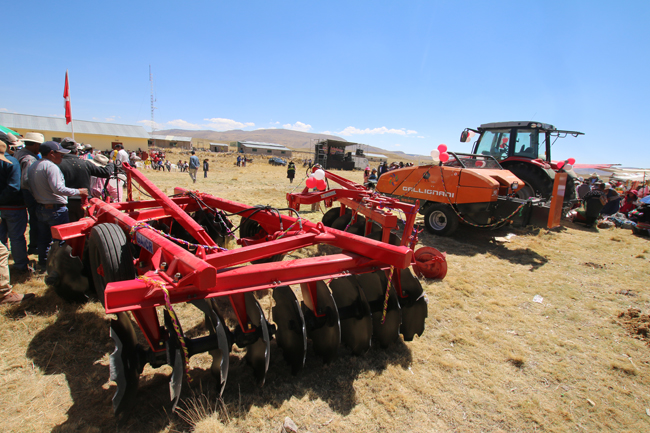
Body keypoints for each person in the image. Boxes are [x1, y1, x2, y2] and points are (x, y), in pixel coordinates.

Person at [28, 141, 88, 270]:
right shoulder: (51, 167)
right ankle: (59, 267)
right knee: (61, 240)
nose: (62, 156)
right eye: (60, 154)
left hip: (41, 206)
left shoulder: (34, 166)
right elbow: (58, 188)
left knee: (43, 238)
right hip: (55, 208)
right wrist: (79, 191)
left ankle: (44, 264)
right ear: (51, 153)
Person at [58, 138, 115, 222]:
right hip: (83, 201)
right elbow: (105, 172)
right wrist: (110, 164)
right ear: (76, 151)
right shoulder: (85, 163)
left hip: (65, 202)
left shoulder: (57, 164)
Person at [0, 137, 30, 274]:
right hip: (13, 206)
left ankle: (3, 268)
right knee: (17, 237)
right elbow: (13, 187)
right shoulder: (11, 162)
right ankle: (20, 266)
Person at [14, 132, 44, 255]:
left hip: (21, 193)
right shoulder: (29, 159)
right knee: (36, 220)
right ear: (36, 145)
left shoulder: (19, 153)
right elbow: (27, 181)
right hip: (29, 194)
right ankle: (34, 246)